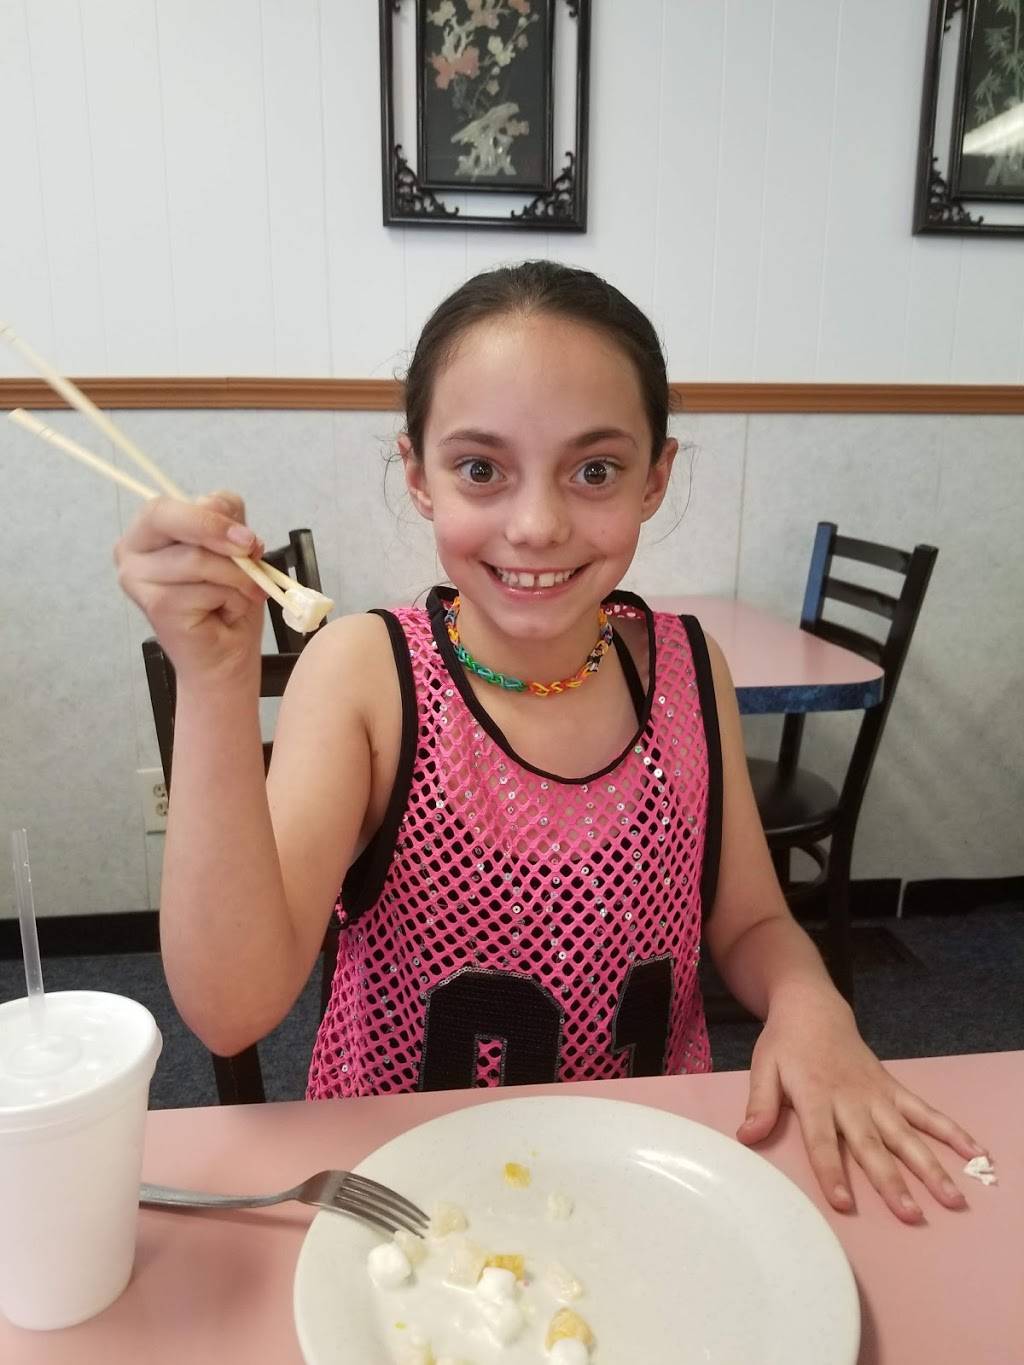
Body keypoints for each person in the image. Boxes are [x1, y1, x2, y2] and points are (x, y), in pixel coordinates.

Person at [115, 260, 986, 1224]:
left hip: (638, 1179)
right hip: (410, 1203)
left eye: (595, 470)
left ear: (656, 476)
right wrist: (215, 680)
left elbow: (750, 923)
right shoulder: (365, 676)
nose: (536, 525)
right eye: (481, 469)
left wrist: (811, 1000)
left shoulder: (690, 669)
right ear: (419, 475)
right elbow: (231, 1007)